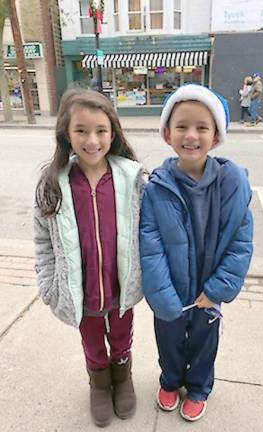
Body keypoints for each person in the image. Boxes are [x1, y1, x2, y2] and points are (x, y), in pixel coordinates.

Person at [139, 84, 253, 422]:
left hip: (208, 288)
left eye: (202, 127)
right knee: (169, 339)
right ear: (166, 134)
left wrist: (217, 289)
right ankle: (171, 380)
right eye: (182, 126)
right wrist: (162, 295)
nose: (191, 135)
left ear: (216, 136)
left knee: (205, 342)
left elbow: (240, 242)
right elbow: (150, 242)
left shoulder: (231, 183)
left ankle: (200, 386)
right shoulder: (156, 187)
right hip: (171, 287)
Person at [33, 88, 145, 427]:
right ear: (66, 134)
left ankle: (122, 375)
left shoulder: (133, 178)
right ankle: (99, 382)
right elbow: (42, 241)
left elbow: (149, 231)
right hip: (80, 293)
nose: (92, 140)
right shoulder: (53, 183)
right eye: (81, 130)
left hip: (120, 288)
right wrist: (49, 285)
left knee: (121, 335)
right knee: (92, 341)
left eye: (100, 131)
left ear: (113, 132)